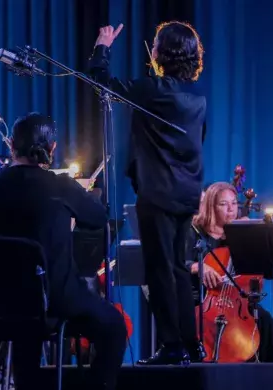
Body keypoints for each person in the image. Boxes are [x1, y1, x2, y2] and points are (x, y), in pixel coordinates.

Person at [0, 112, 127, 390]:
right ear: (51, 148)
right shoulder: (60, 186)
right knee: (114, 325)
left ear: (11, 146)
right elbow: (98, 219)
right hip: (53, 299)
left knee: (24, 327)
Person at [89, 21, 206, 364]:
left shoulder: (153, 90)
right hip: (187, 193)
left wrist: (102, 46)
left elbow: (102, 82)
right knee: (180, 270)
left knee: (159, 270)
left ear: (162, 53)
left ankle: (172, 347)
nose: (151, 49)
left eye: (156, 44)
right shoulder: (197, 99)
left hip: (157, 193)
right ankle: (192, 344)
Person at [187, 182, 273, 362]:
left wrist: (249, 238)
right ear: (211, 206)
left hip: (236, 302)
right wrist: (198, 266)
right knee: (190, 321)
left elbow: (258, 276)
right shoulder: (194, 232)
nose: (231, 209)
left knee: (265, 320)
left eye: (234, 203)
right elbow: (177, 262)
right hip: (202, 299)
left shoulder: (240, 232)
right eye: (223, 204)